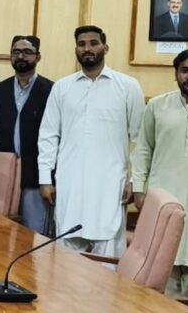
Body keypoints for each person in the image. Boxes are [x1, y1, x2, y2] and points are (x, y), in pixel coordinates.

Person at [38, 26, 145, 258]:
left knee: (107, 256)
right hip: (69, 183)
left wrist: (134, 181)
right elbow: (48, 135)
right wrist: (45, 179)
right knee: (66, 254)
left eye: (93, 43)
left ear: (105, 47)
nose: (87, 48)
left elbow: (140, 140)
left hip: (110, 185)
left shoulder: (128, 86)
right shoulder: (62, 87)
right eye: (82, 44)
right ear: (75, 49)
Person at [131, 49, 188, 296]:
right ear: (175, 74)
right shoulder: (157, 106)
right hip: (165, 200)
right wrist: (138, 189)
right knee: (162, 268)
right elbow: (143, 149)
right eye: (185, 70)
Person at [0, 36, 54, 234]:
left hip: (35, 172)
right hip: (5, 171)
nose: (21, 56)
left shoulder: (51, 90)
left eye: (27, 52)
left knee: (34, 233)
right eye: (16, 52)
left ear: (38, 56)